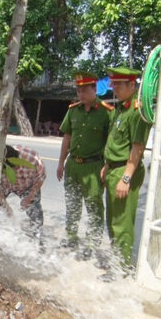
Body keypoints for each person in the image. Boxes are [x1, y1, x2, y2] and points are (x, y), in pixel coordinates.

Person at [100, 66, 151, 278]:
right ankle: (117, 261)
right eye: (113, 83)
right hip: (113, 170)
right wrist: (106, 165)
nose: (113, 88)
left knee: (122, 223)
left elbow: (137, 148)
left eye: (118, 84)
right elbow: (115, 143)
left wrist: (126, 177)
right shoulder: (120, 109)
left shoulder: (136, 111)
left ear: (132, 85)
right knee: (112, 221)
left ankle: (122, 268)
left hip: (124, 172)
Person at [57, 71, 113, 259]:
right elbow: (67, 137)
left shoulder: (106, 113)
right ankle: (71, 236)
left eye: (84, 90)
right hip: (73, 164)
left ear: (94, 89)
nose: (80, 94)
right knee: (72, 203)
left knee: (94, 206)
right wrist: (61, 163)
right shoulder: (73, 110)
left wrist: (107, 166)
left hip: (93, 167)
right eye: (78, 91)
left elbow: (110, 143)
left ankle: (92, 243)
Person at [0, 145, 46, 247]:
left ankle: (37, 240)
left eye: (14, 168)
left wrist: (29, 197)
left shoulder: (31, 159)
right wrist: (6, 206)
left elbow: (41, 178)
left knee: (35, 211)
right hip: (4, 186)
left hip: (27, 185)